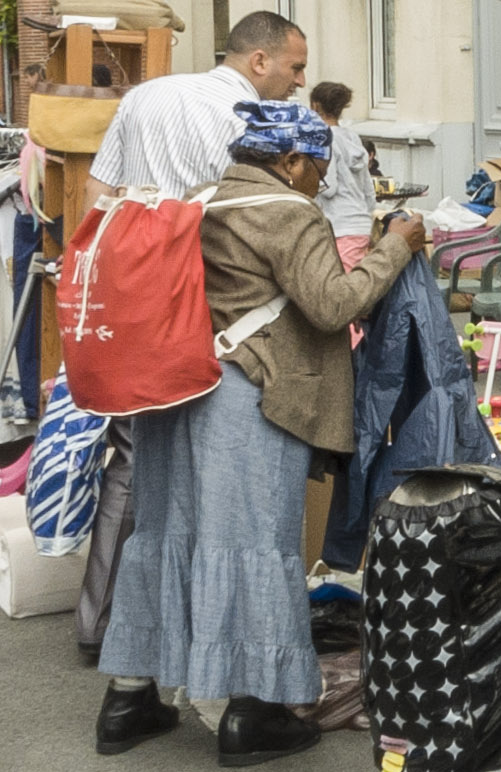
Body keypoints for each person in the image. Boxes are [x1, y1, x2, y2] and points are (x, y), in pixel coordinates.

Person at [92, 100, 427, 767]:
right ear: (290, 160)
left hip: (173, 391)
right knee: (253, 544)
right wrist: (398, 244)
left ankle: (128, 700)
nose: (320, 185)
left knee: (164, 535)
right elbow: (333, 304)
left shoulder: (198, 198)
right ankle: (253, 711)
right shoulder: (285, 211)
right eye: (318, 170)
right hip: (249, 399)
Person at [72, 10, 309, 663]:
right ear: (258, 61)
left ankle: (105, 627)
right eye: (293, 67)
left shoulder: (146, 95)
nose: (297, 82)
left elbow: (98, 195)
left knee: (137, 464)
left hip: (136, 303)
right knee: (219, 485)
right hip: (210, 307)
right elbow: (245, 213)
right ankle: (205, 641)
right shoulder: (251, 119)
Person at [308, 81, 378, 269]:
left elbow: (329, 188)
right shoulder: (352, 138)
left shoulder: (324, 140)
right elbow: (368, 191)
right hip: (359, 222)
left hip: (339, 225)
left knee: (347, 289)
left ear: (315, 106)